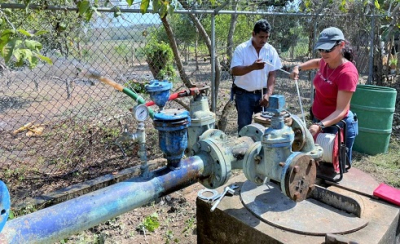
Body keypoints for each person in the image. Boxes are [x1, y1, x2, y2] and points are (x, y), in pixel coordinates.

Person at [289, 27, 359, 165]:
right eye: (321, 49)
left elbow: (341, 110)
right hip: (319, 121)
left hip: (336, 126)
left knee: (334, 167)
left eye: (327, 50)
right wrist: (299, 67)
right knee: (317, 164)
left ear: (341, 45)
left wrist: (319, 125)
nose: (323, 53)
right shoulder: (325, 61)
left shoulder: (347, 74)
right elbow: (316, 62)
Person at [230, 19, 282, 132]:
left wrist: (268, 94)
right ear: (253, 34)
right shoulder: (241, 49)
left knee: (265, 128)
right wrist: (252, 67)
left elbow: (272, 74)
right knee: (244, 128)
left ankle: (262, 149)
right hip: (243, 95)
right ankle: (244, 148)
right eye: (261, 37)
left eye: (266, 37)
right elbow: (234, 71)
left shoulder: (271, 50)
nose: (264, 40)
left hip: (262, 96)